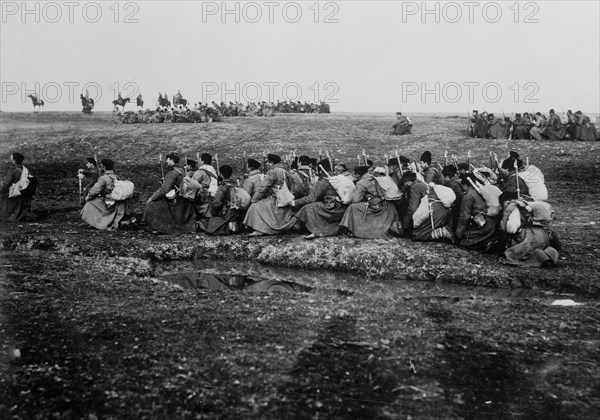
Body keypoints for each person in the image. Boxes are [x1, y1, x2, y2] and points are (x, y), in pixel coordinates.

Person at [289, 159, 349, 239]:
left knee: (308, 207)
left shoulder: (324, 181)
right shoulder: (338, 178)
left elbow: (311, 198)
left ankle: (315, 231)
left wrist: (294, 203)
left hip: (332, 208)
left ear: (320, 171)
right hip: (342, 207)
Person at [142, 152, 196, 234]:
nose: (166, 162)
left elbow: (164, 189)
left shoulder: (172, 173)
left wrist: (152, 198)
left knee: (152, 205)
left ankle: (158, 227)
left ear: (171, 160)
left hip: (176, 201)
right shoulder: (183, 170)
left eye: (167, 160)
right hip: (184, 200)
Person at [339, 166, 398, 238]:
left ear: (358, 175)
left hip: (376, 206)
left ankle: (350, 229)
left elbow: (355, 200)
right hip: (389, 206)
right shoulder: (382, 179)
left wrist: (365, 197)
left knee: (352, 207)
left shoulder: (361, 182)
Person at [243, 153, 296, 236]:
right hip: (284, 198)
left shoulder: (272, 171)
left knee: (254, 207)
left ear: (272, 163)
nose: (267, 164)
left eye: (268, 162)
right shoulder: (285, 172)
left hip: (275, 198)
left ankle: (260, 229)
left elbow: (263, 188)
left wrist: (254, 200)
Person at [401, 171, 453, 242]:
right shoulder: (423, 184)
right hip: (442, 209)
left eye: (404, 183)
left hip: (433, 211)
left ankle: (442, 232)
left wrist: (405, 225)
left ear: (408, 182)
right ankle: (442, 231)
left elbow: (412, 209)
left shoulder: (414, 187)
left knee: (417, 235)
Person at [80, 159, 131, 230]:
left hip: (107, 201)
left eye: (101, 166)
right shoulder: (116, 177)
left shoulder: (103, 178)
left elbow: (94, 191)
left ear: (103, 167)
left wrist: (87, 197)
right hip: (115, 201)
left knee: (90, 203)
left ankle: (98, 223)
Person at [455, 173, 499, 250]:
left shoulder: (468, 196)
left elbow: (464, 217)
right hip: (493, 223)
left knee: (463, 242)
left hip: (483, 225)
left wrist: (458, 234)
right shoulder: (482, 190)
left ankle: (486, 244)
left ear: (464, 185)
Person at [198, 165, 243, 235]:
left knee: (211, 226)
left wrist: (213, 210)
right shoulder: (235, 184)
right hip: (236, 211)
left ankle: (230, 227)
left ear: (221, 174)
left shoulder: (223, 186)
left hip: (227, 212)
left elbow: (216, 202)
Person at [1, 152, 36, 223]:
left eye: (12, 159)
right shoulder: (25, 170)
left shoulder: (13, 172)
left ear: (14, 161)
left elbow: (6, 185)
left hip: (14, 195)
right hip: (23, 195)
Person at [441, 165, 463, 234]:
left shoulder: (452, 185)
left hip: (456, 209)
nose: (443, 179)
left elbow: (457, 200)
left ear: (447, 177)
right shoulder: (457, 180)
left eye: (444, 177)